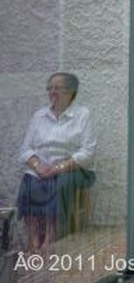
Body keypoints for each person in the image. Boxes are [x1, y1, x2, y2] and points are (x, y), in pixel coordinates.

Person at [16, 72, 97, 250]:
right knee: (29, 183)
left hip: (73, 169)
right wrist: (37, 165)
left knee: (59, 183)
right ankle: (34, 237)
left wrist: (59, 167)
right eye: (50, 88)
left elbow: (87, 153)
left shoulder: (82, 115)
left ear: (71, 92)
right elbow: (25, 150)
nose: (52, 92)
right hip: (41, 168)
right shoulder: (39, 115)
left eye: (57, 88)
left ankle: (51, 236)